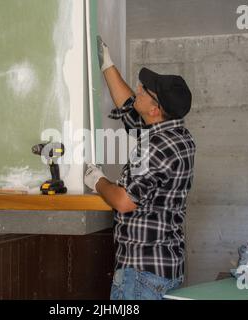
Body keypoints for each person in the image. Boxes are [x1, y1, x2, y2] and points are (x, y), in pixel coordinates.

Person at [84, 36, 196, 300]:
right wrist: (107, 65)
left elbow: (124, 201)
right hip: (164, 266)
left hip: (142, 274)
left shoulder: (154, 146)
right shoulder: (178, 135)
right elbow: (130, 109)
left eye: (145, 91)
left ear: (156, 109)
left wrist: (96, 179)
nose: (139, 90)